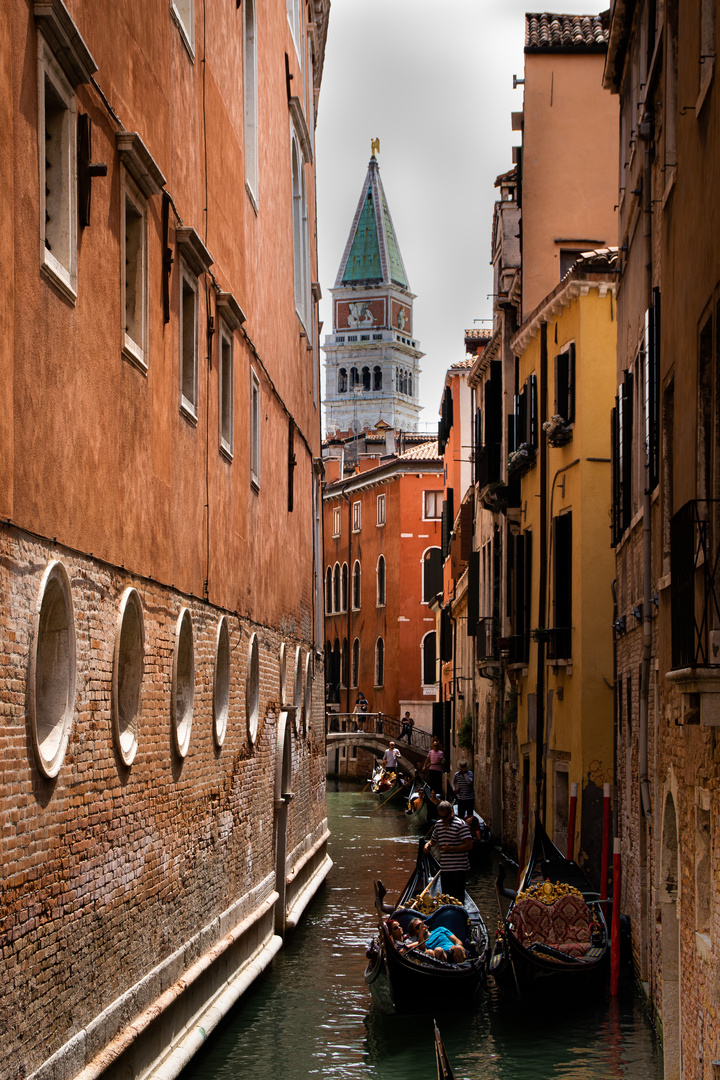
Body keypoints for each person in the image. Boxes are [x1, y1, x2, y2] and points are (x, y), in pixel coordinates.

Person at [424, 800, 472, 903]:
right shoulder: (438, 825)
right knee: (446, 898)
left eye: (445, 817)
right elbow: (433, 841)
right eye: (441, 817)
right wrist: (427, 845)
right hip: (445, 868)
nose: (443, 820)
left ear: (451, 812)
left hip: (459, 868)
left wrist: (451, 849)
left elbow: (469, 845)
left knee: (458, 898)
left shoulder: (461, 825)